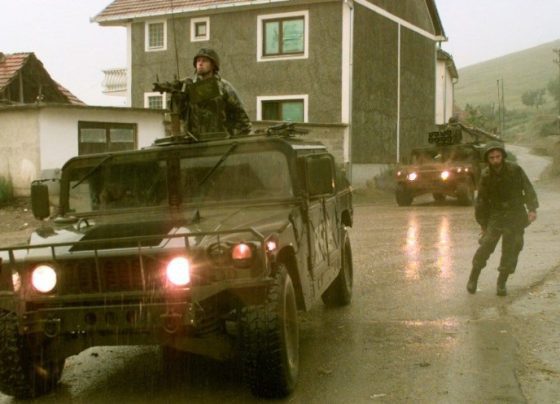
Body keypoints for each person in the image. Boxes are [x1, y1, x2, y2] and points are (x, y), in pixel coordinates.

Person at [467, 141, 539, 296]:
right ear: (488, 159)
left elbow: (527, 188)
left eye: (498, 156)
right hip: (496, 215)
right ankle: (473, 277)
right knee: (486, 246)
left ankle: (501, 282)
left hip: (515, 214)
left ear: (503, 156)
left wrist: (532, 209)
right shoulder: (486, 175)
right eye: (492, 157)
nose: (495, 160)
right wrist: (483, 224)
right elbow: (481, 200)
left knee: (512, 248)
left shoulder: (515, 170)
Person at [181, 48, 251, 139]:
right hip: (195, 142)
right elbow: (180, 115)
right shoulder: (188, 87)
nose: (200, 64)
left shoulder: (224, 87)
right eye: (198, 61)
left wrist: (232, 140)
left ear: (213, 65)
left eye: (204, 61)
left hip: (219, 141)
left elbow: (243, 120)